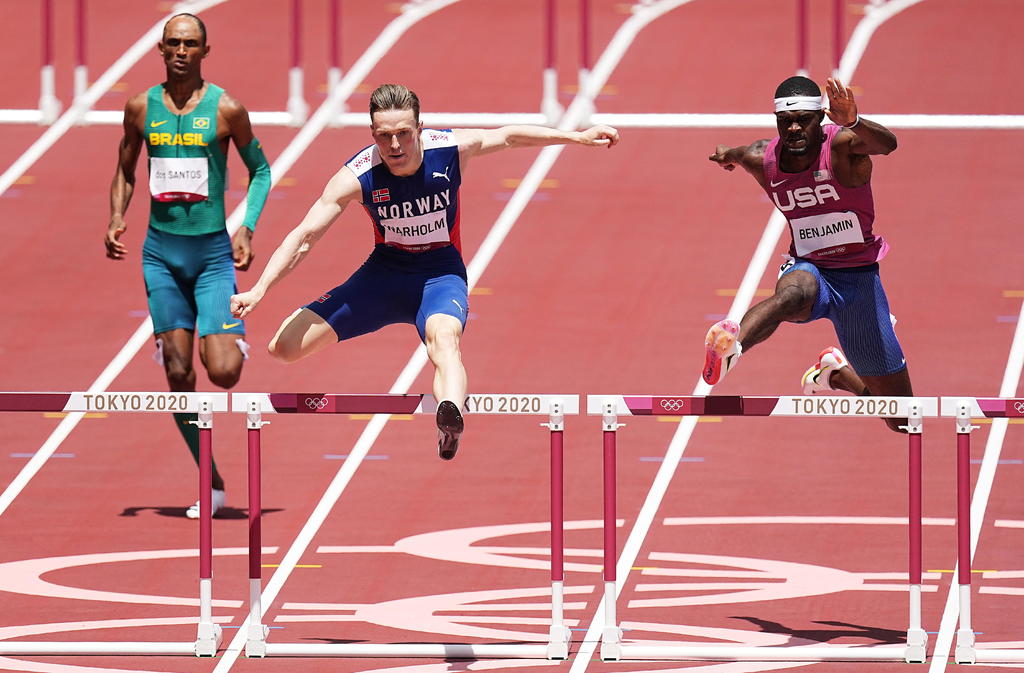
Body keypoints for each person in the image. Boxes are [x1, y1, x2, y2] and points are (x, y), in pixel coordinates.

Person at [230, 83, 618, 459]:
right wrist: (260, 289)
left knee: (444, 340)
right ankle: (447, 407)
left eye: (403, 133)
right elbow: (305, 236)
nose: (395, 146)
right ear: (372, 133)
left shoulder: (449, 148)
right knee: (283, 348)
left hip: (439, 275)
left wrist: (577, 138)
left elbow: (508, 136)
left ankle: (450, 415)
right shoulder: (357, 176)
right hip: (383, 276)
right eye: (384, 136)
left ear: (419, 128)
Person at [105, 13, 271, 515]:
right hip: (160, 255)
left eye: (190, 44)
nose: (181, 51)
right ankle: (210, 478)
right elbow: (125, 170)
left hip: (212, 256)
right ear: (160, 48)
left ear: (205, 51)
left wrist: (247, 228)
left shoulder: (227, 109)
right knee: (179, 373)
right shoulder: (140, 107)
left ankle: (220, 335)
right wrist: (117, 215)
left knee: (223, 373)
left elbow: (261, 170)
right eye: (173, 43)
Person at [704, 75, 911, 432]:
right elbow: (739, 153)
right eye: (785, 121)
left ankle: (836, 373)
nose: (794, 128)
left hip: (858, 281)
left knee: (903, 419)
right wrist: (727, 156)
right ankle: (731, 350)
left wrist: (854, 121)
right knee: (794, 294)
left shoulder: (843, 148)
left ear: (821, 119)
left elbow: (888, 145)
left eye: (803, 120)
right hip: (809, 267)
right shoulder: (763, 159)